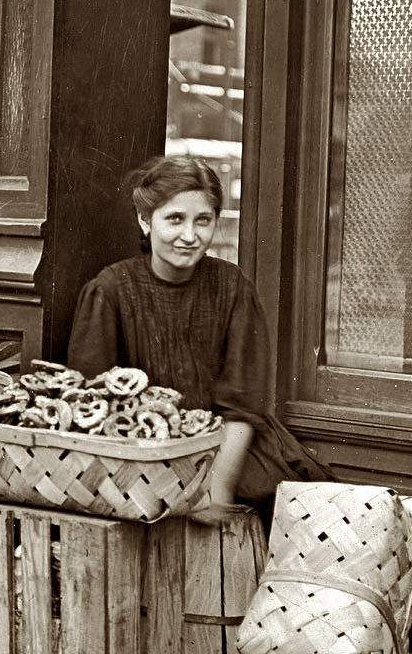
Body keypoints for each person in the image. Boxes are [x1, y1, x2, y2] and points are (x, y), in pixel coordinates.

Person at [67, 155, 332, 527]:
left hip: (228, 449)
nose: (190, 236)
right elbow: (91, 403)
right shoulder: (110, 291)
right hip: (141, 452)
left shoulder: (232, 287)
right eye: (174, 219)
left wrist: (215, 487)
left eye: (203, 220)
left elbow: (242, 405)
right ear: (145, 221)